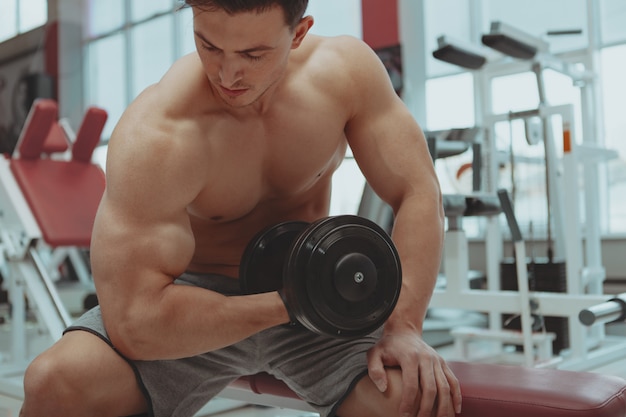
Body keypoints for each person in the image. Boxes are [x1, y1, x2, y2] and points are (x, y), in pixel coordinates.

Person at [20, 1, 462, 416]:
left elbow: (418, 191)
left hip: (316, 300)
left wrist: (402, 326)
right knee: (55, 382)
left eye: (253, 53)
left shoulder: (345, 75)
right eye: (209, 45)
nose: (227, 73)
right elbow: (134, 322)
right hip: (194, 306)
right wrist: (294, 302)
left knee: (416, 399)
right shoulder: (159, 132)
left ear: (299, 33)